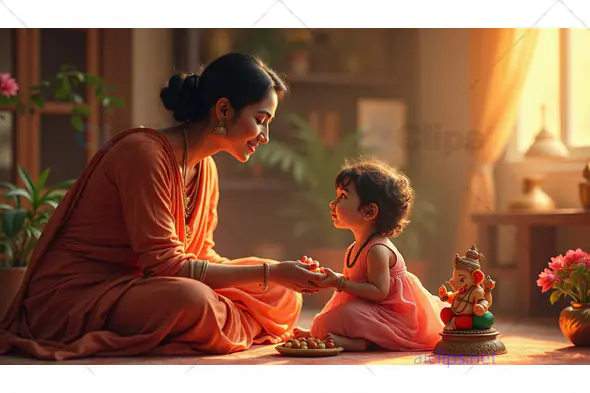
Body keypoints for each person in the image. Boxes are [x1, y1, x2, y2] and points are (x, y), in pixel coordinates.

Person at [0, 53, 326, 361]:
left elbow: (201, 255)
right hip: (84, 293)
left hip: (148, 288)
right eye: (260, 120)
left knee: (284, 294)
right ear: (224, 109)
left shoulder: (206, 168)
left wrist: (278, 275)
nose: (265, 136)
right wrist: (271, 273)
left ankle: (219, 329)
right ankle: (229, 327)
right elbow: (167, 267)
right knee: (194, 302)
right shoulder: (143, 154)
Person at [296, 158, 445, 351]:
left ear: (369, 211)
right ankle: (326, 333)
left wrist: (339, 283)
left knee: (344, 315)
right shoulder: (354, 248)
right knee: (330, 317)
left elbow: (378, 292)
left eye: (343, 197)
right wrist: (330, 277)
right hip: (371, 311)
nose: (333, 203)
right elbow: (357, 283)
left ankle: (363, 342)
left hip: (392, 316)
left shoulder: (377, 250)